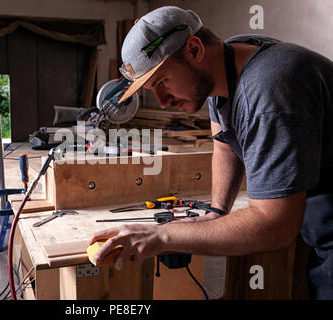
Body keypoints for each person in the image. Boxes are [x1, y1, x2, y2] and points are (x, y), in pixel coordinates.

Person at [88, 6, 333, 299]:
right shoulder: (230, 61)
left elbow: (275, 225)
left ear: (194, 49)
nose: (163, 102)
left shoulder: (270, 89)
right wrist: (216, 212)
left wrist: (161, 236)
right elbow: (224, 142)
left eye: (163, 82)